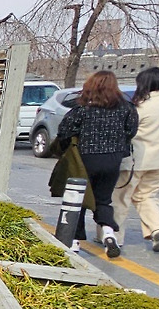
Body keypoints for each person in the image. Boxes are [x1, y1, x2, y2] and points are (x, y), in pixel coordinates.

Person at [56, 70, 138, 258]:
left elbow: (64, 131)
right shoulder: (126, 108)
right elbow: (131, 131)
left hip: (85, 159)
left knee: (80, 200)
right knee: (103, 200)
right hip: (113, 160)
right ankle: (109, 234)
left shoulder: (82, 109)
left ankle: (74, 242)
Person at [113, 67, 159, 252]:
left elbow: (128, 130)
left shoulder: (142, 106)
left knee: (121, 198)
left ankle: (114, 237)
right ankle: (157, 229)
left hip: (137, 160)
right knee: (146, 195)